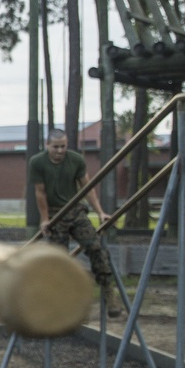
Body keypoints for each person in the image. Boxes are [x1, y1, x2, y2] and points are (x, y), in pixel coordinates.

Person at [29, 129, 120, 314]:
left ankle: (108, 291)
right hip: (55, 215)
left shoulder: (76, 160)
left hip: (75, 211)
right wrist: (45, 220)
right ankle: (60, 301)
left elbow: (87, 188)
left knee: (95, 248)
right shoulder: (37, 162)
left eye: (63, 146)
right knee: (59, 259)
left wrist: (100, 212)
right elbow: (40, 193)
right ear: (47, 146)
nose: (60, 151)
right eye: (56, 147)